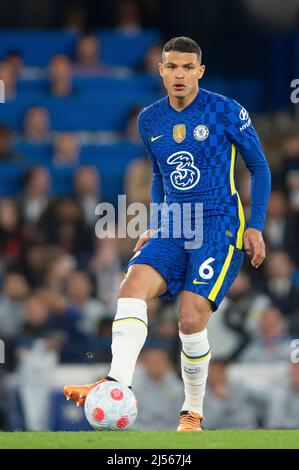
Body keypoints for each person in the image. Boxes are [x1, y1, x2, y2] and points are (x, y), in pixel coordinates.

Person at [64, 36, 271, 432]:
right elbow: (160, 175)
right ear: (160, 70)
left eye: (187, 67)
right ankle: (115, 384)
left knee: (190, 318)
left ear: (200, 72)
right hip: (175, 224)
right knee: (131, 286)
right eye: (172, 66)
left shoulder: (226, 111)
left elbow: (259, 168)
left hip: (219, 223)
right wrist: (158, 222)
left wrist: (255, 226)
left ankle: (192, 411)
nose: (179, 74)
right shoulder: (150, 119)